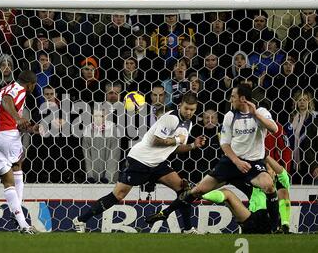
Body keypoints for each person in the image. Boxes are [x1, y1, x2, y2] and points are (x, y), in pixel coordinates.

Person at [146, 84, 280, 232]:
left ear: (242, 98)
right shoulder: (230, 116)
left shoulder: (261, 111)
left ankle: (275, 228)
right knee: (197, 191)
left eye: (233, 97)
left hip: (253, 163)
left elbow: (274, 129)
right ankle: (165, 213)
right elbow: (225, 144)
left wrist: (256, 115)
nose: (230, 99)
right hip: (231, 162)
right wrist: (237, 161)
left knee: (268, 184)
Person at [73, 93, 207, 233]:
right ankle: (80, 220)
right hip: (139, 160)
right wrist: (178, 140)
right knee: (118, 195)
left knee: (184, 191)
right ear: (180, 105)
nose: (189, 112)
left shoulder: (188, 123)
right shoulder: (171, 119)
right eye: (186, 108)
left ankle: (188, 228)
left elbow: (174, 148)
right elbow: (157, 141)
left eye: (192, 109)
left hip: (158, 163)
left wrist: (192, 145)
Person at [0, 70, 39, 234]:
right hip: (5, 134)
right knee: (18, 165)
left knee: (7, 180)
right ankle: (19, 213)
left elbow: (5, 107)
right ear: (30, 84)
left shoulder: (4, 88)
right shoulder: (18, 90)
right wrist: (18, 118)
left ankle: (22, 223)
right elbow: (7, 101)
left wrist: (30, 128)